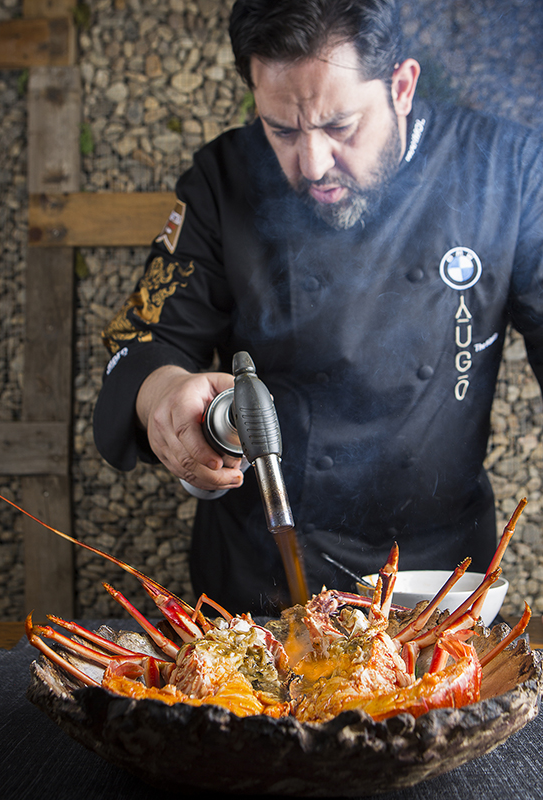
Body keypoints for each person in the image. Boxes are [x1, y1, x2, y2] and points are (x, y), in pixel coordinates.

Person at [93, 0, 543, 614]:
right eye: (281, 130)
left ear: (402, 87)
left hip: (438, 583)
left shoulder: (510, 172)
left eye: (340, 127)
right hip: (265, 579)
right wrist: (167, 395)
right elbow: (145, 343)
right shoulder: (223, 178)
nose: (312, 164)